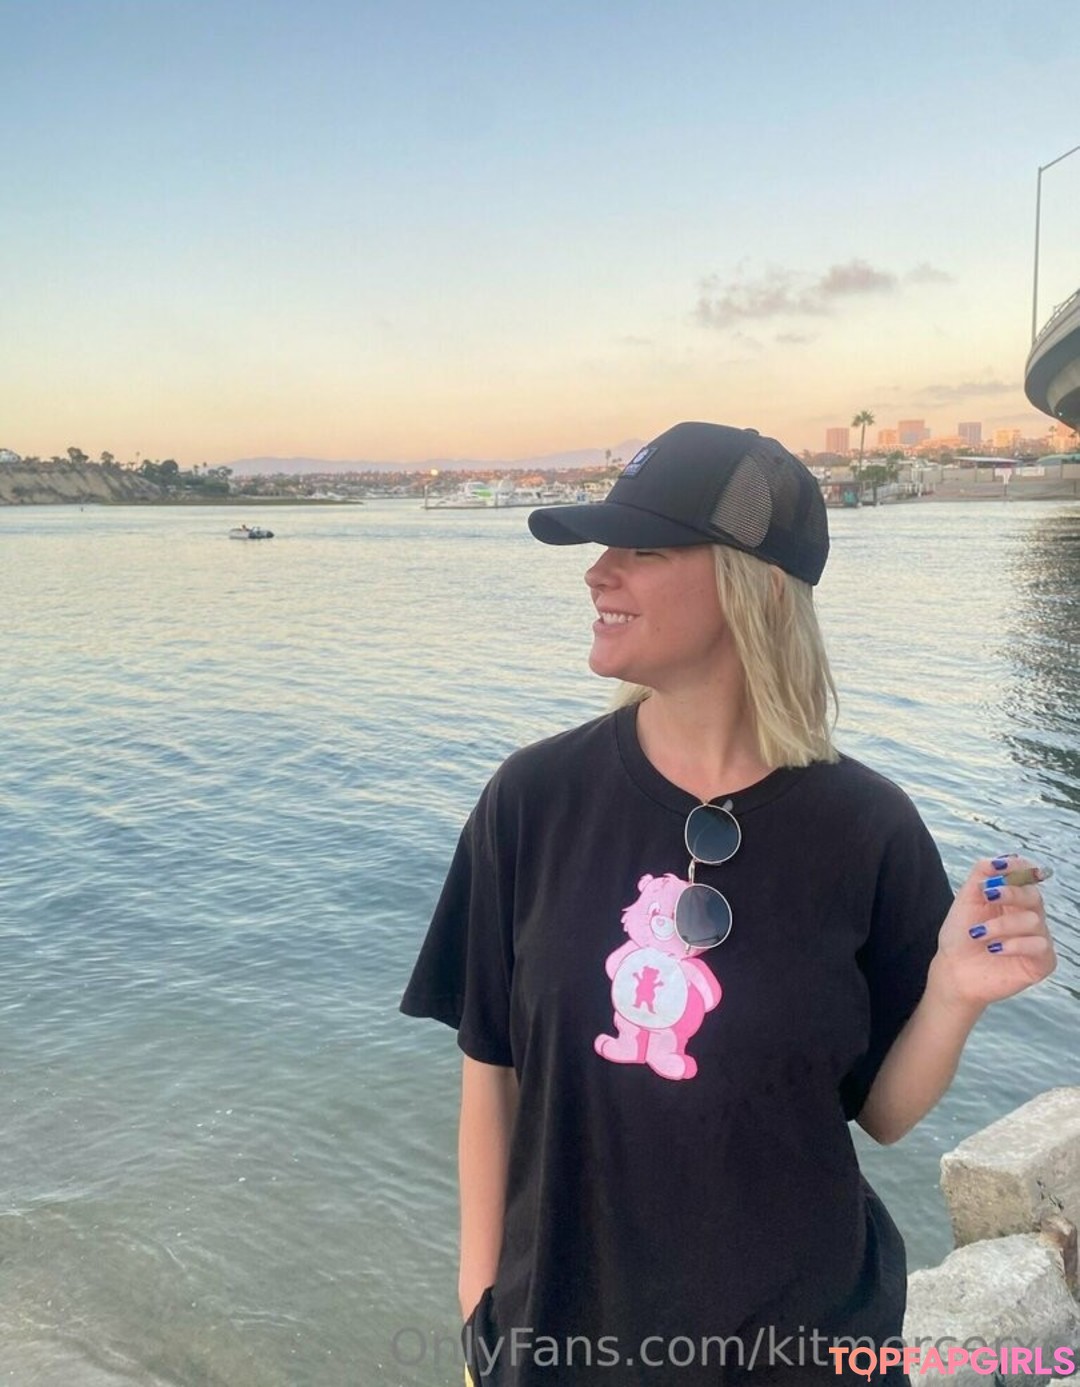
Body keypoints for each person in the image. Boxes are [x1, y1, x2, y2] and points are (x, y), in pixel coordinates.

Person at [400, 422, 1056, 1386]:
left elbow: (879, 1112)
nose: (598, 572)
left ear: (754, 585)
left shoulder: (868, 827)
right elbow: (488, 1071)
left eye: (643, 548)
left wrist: (954, 993)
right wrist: (481, 1311)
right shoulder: (532, 801)